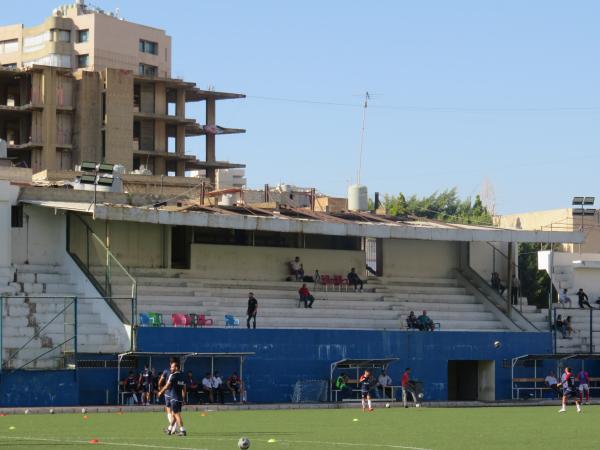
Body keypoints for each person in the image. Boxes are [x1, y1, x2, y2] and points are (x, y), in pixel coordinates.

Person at [157, 359, 187, 436]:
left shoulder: (173, 376)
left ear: (176, 367)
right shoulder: (183, 376)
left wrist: (160, 392)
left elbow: (167, 385)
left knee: (177, 414)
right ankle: (170, 429)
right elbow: (184, 389)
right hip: (179, 399)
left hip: (174, 398)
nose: (171, 369)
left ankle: (182, 430)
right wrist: (183, 399)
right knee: (174, 415)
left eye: (172, 367)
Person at [158, 357, 179, 432]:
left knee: (169, 410)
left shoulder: (166, 371)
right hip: (176, 394)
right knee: (175, 412)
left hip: (167, 393)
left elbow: (160, 381)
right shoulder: (179, 373)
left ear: (170, 363)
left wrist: (160, 389)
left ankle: (173, 428)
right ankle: (174, 428)